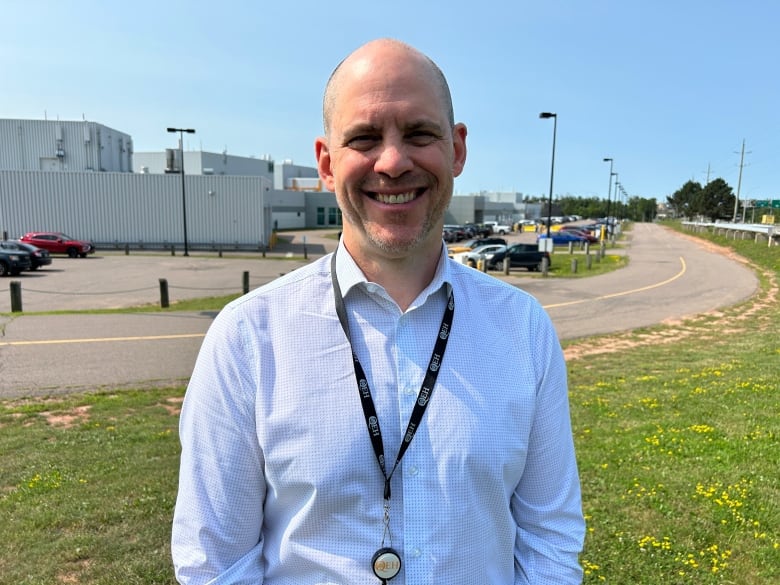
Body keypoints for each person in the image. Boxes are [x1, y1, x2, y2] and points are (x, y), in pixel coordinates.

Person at [172, 38, 585, 584]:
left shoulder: (522, 329)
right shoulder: (248, 337)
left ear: (457, 150)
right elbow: (214, 563)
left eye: (419, 133)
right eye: (364, 137)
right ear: (326, 162)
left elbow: (548, 540)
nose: (392, 161)